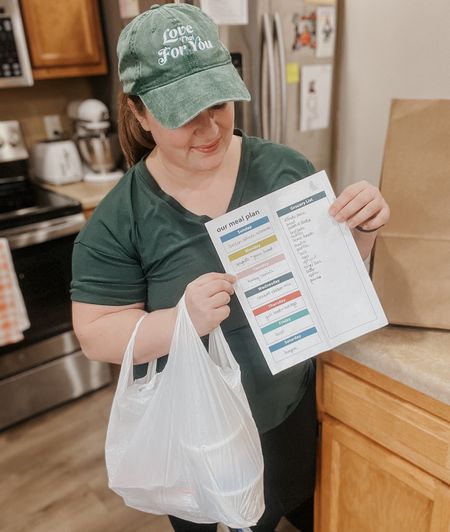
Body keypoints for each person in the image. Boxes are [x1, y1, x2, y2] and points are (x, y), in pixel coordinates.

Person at [71, 4, 390, 532]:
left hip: (288, 405)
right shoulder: (120, 218)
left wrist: (360, 234)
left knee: (302, 503)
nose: (208, 129)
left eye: (217, 103)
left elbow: (325, 277)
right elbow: (96, 334)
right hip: (201, 433)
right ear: (139, 111)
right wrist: (182, 320)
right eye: (180, 113)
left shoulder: (284, 167)